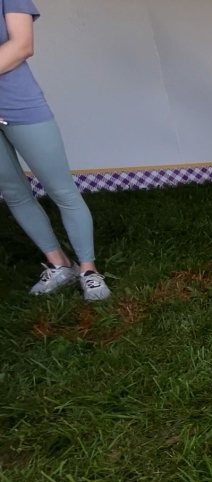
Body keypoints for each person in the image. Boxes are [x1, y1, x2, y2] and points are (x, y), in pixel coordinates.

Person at [0, 0, 110, 300]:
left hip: (21, 106)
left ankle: (88, 270)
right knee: (13, 193)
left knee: (61, 190)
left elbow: (22, 45)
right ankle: (59, 263)